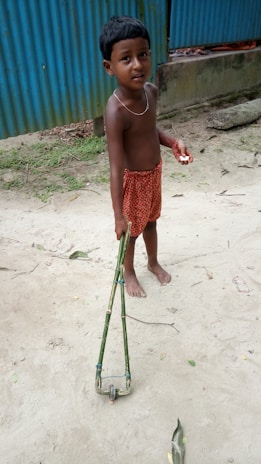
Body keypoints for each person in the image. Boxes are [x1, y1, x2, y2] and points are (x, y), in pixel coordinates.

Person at [99, 16, 193, 298]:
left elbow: (151, 130)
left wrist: (173, 142)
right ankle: (128, 271)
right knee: (132, 231)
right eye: (126, 59)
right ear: (110, 67)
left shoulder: (151, 91)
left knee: (152, 221)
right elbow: (116, 168)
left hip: (154, 173)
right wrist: (118, 215)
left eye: (142, 55)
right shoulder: (115, 112)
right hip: (133, 182)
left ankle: (152, 262)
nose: (137, 64)